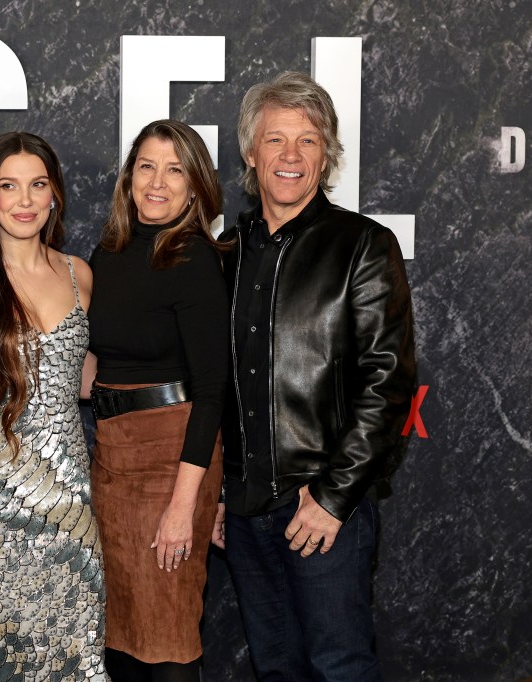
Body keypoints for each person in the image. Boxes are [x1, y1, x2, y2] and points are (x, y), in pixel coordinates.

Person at [212, 71, 416, 681]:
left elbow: (387, 385)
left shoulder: (363, 245)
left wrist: (331, 499)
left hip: (324, 508)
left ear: (326, 154)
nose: (291, 156)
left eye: (308, 140)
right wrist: (218, 492)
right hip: (246, 512)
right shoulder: (225, 251)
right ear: (251, 153)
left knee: (340, 669)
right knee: (277, 671)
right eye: (276, 140)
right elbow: (212, 385)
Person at [0, 131, 105, 681]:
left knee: (70, 651)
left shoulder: (80, 275)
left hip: (71, 505)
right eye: (9, 186)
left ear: (55, 193)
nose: (25, 200)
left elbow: (80, 375)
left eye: (38, 184)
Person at [87, 119, 228, 681]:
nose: (158, 183)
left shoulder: (192, 259)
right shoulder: (110, 252)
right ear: (128, 177)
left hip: (173, 457)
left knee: (166, 636)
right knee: (120, 637)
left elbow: (212, 392)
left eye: (175, 170)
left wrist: (183, 507)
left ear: (195, 187)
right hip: (111, 455)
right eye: (147, 166)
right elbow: (99, 361)